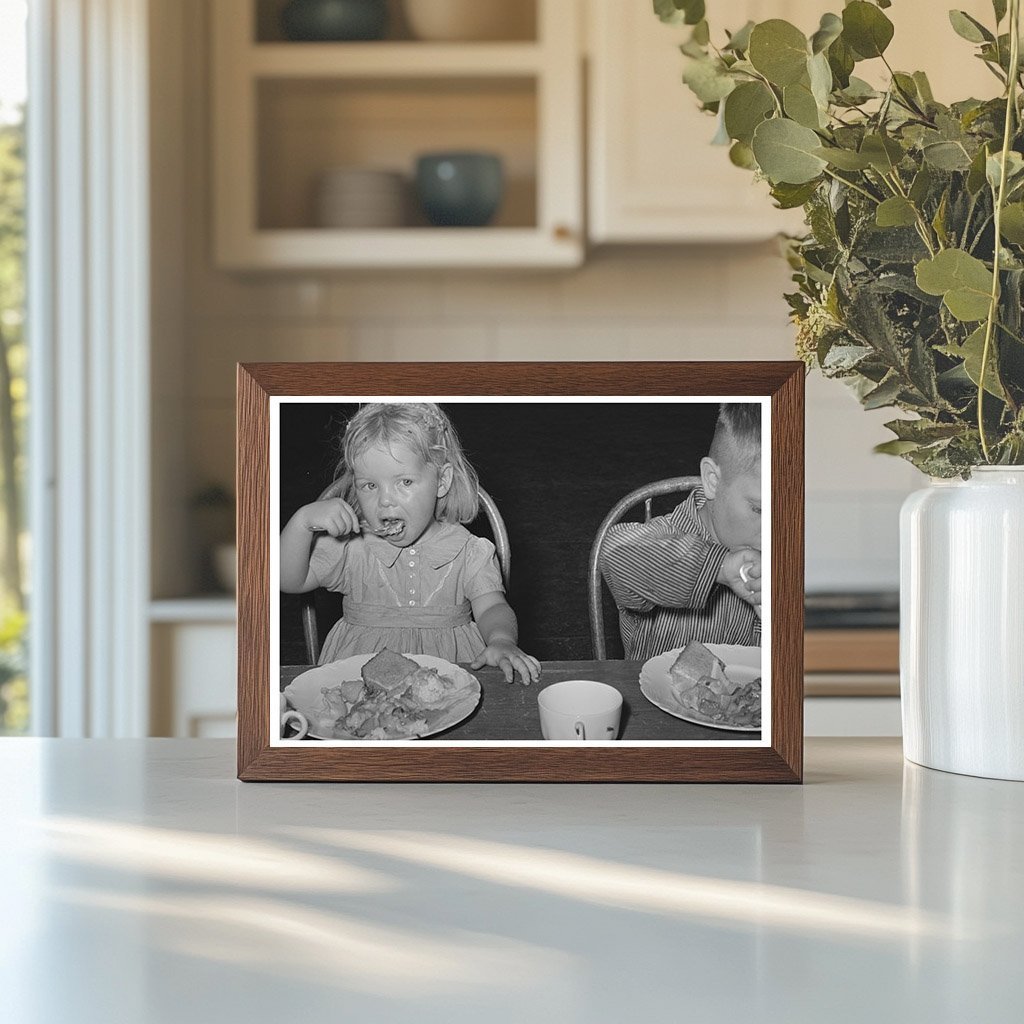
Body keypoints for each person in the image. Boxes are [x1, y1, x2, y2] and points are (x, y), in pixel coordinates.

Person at [280, 402, 540, 685]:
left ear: (442, 481)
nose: (385, 500)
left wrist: (501, 640)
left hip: (448, 677)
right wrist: (301, 522)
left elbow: (492, 607)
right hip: (359, 680)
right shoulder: (350, 547)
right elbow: (288, 580)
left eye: (404, 482)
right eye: (370, 485)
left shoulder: (469, 551)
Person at [599, 403, 762, 661]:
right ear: (712, 480)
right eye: (759, 510)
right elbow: (615, 551)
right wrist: (720, 567)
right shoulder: (669, 535)